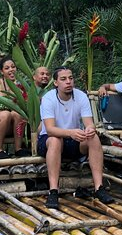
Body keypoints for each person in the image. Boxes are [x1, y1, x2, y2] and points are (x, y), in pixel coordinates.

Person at [39, 67, 114, 209]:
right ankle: (53, 191)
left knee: (93, 138)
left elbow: (89, 123)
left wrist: (90, 130)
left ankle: (99, 188)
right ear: (55, 83)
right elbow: (49, 129)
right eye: (63, 79)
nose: (68, 82)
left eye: (71, 78)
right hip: (49, 141)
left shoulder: (80, 96)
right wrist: (71, 133)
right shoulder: (48, 98)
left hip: (73, 140)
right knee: (55, 139)